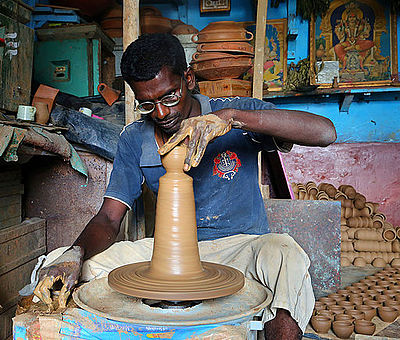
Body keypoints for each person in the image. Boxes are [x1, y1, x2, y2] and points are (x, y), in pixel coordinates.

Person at [34, 33, 336, 339]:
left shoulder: (234, 112)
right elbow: (109, 218)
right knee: (62, 262)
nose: (161, 114)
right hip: (167, 256)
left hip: (241, 248)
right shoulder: (134, 138)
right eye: (147, 105)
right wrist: (75, 253)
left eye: (169, 97)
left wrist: (232, 119)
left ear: (188, 79)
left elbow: (325, 133)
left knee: (285, 253)